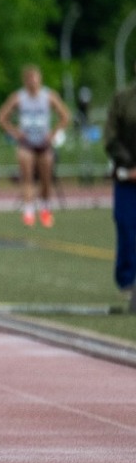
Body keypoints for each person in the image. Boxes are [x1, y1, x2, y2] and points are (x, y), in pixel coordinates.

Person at [0, 64, 71, 227]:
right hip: (26, 143)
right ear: (25, 81)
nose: (32, 82)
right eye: (29, 79)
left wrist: (53, 133)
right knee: (27, 178)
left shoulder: (49, 96)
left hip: (44, 143)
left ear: (40, 79)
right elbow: (1, 117)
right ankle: (28, 212)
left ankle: (45, 210)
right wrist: (15, 133)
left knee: (46, 180)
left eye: (35, 78)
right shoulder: (19, 97)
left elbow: (65, 116)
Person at [105, 80, 136, 308]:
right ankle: (127, 279)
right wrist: (128, 165)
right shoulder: (122, 99)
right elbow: (111, 136)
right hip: (127, 174)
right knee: (126, 224)